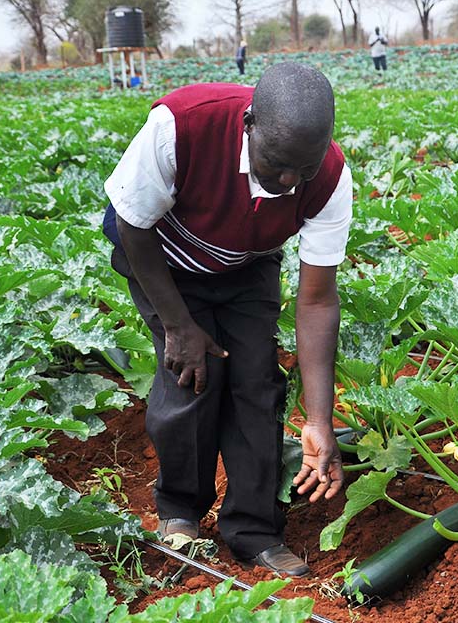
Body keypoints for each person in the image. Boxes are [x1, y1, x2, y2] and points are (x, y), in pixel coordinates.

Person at [101, 62, 351, 577]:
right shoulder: (184, 124)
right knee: (192, 375)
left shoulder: (326, 178)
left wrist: (321, 421)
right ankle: (179, 512)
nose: (287, 180)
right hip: (160, 256)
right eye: (277, 162)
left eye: (300, 170)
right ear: (249, 124)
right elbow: (133, 225)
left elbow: (318, 301)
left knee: (257, 382)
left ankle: (254, 529)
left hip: (244, 261)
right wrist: (178, 325)